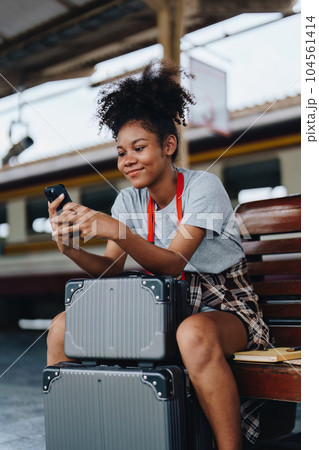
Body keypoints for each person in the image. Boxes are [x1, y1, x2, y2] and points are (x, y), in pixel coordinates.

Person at [46, 59, 269, 450]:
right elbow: (112, 270)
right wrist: (70, 249)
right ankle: (79, 435)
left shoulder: (203, 187)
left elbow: (173, 262)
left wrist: (118, 229)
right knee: (62, 326)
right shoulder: (128, 201)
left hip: (224, 305)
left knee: (193, 333)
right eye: (120, 152)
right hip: (160, 307)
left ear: (168, 146)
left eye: (138, 148)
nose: (127, 160)